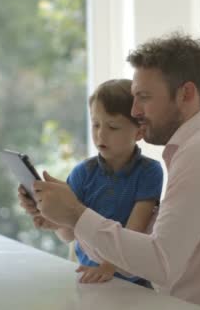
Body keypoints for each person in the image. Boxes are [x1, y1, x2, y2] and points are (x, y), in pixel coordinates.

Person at [21, 32, 200, 309]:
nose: (135, 110)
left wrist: (76, 213)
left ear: (186, 94)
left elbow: (159, 264)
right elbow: (141, 262)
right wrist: (69, 217)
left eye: (143, 97)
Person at [21, 79, 163, 286]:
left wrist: (109, 265)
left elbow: (135, 231)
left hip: (132, 283)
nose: (100, 134)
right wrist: (53, 222)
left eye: (112, 127)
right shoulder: (82, 173)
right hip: (89, 278)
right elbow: (68, 234)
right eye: (96, 124)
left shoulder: (149, 172)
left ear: (139, 132)